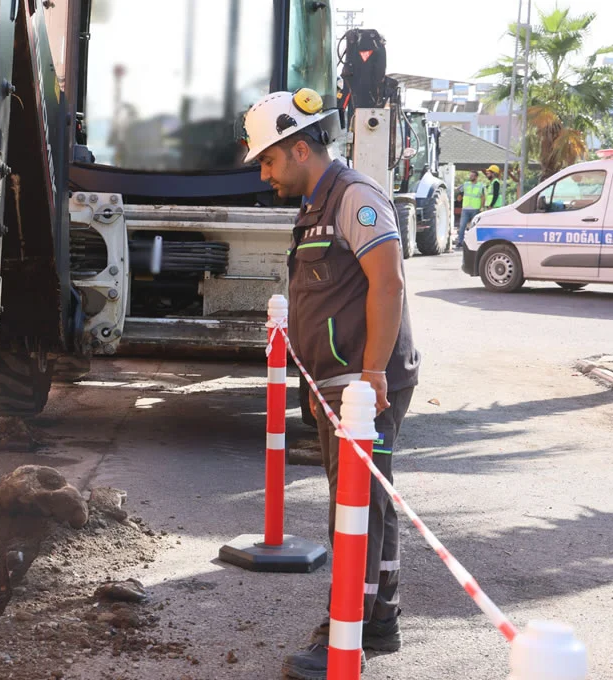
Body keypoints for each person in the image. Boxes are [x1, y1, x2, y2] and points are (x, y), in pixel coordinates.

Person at [240, 89, 421, 680]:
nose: (263, 173)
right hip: (340, 382)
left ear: (298, 149)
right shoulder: (317, 204)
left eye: (267, 160)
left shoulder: (355, 197)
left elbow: (388, 283)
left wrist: (369, 377)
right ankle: (381, 619)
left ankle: (345, 634)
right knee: (371, 497)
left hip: (363, 384)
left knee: (356, 506)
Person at [458, 170, 486, 244]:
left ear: (476, 177)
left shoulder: (481, 186)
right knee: (462, 227)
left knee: (473, 227)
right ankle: (460, 242)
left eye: (472, 176)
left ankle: (472, 243)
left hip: (475, 209)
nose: (471, 177)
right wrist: (459, 197)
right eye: (470, 175)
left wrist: (482, 207)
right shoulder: (466, 184)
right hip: (465, 208)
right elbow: (460, 193)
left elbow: (483, 197)